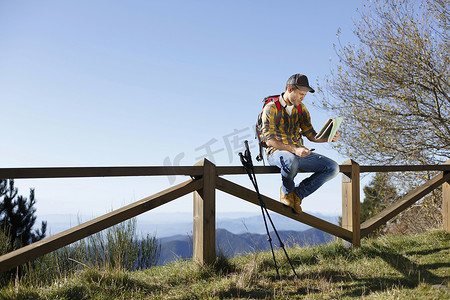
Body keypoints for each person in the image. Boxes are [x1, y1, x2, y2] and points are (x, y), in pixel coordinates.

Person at [261, 74, 340, 213]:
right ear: (290, 89)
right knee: (291, 161)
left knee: (333, 168)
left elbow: (311, 135)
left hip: (299, 153)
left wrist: (329, 137)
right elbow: (269, 140)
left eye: (304, 95)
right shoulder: (271, 108)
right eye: (300, 94)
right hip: (276, 152)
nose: (303, 98)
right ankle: (286, 192)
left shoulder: (301, 109)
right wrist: (294, 150)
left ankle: (297, 195)